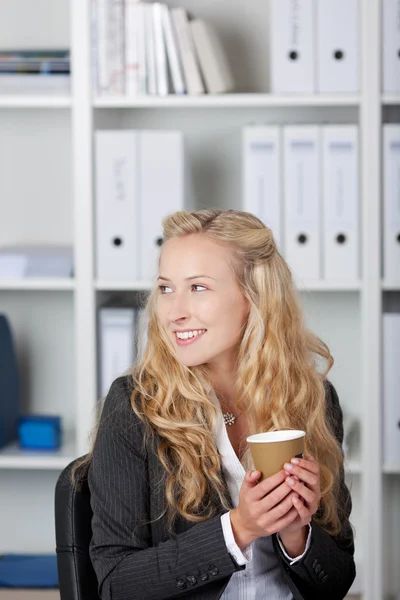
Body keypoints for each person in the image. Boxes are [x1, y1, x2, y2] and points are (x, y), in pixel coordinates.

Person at [77, 208, 356, 600]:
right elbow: (116, 584)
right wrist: (239, 528)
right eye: (166, 288)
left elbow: (339, 579)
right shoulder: (136, 406)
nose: (174, 313)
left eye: (198, 287)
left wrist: (297, 533)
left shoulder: (312, 400)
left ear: (255, 297)